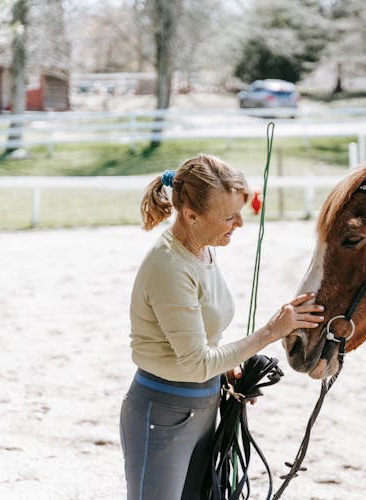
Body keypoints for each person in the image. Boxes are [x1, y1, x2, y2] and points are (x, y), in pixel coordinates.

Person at [119, 154, 325, 500]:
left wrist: (227, 369)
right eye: (229, 217)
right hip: (162, 413)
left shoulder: (203, 251)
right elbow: (197, 362)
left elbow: (203, 339)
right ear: (191, 216)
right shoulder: (169, 266)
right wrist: (270, 332)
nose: (240, 224)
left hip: (204, 407)